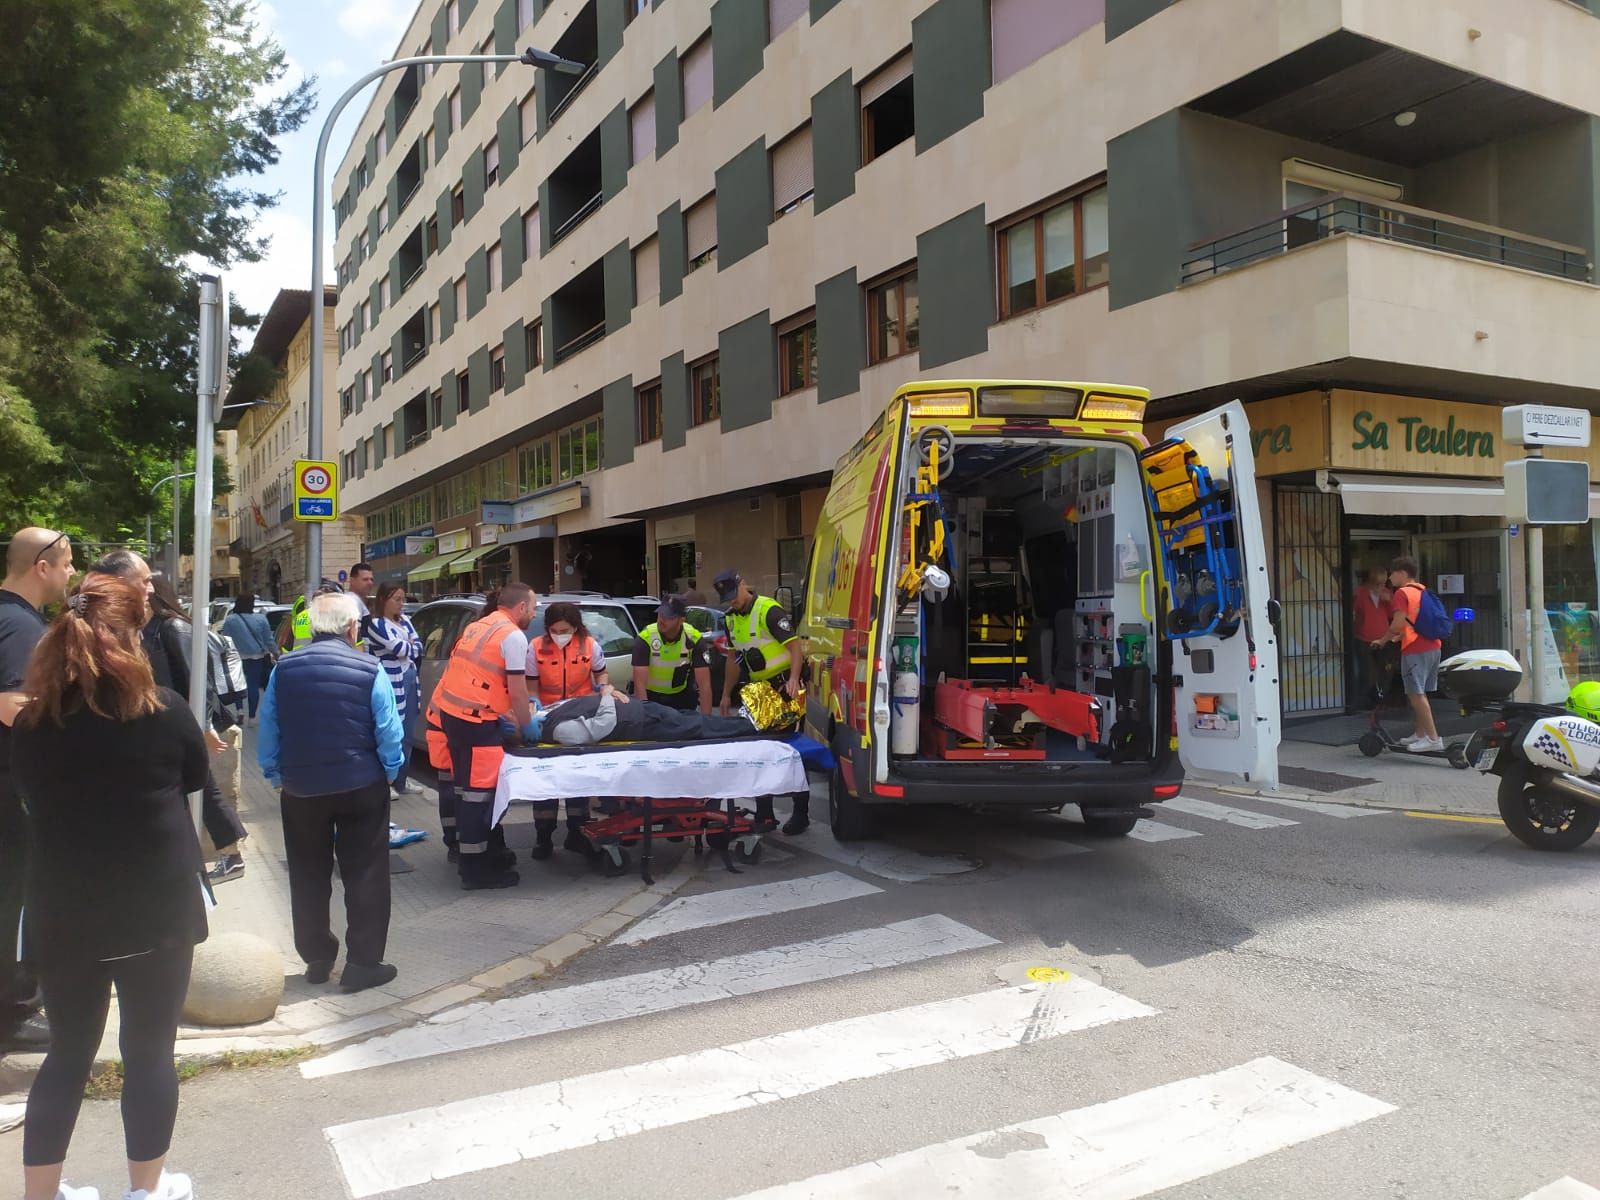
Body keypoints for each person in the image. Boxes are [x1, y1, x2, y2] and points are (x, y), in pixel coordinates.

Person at [12, 574, 209, 1200]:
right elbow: (194, 778)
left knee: (67, 1055)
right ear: (132, 637)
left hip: (64, 910)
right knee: (150, 1052)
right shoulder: (165, 711)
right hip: (156, 908)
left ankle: (40, 1194)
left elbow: (26, 797)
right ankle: (145, 1191)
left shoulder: (31, 726)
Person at [257, 591, 405, 992]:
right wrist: (390, 771)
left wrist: (274, 774)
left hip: (302, 788)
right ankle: (363, 964)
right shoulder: (369, 667)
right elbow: (389, 730)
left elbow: (269, 726)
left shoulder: (283, 669)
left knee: (307, 873)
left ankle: (318, 957)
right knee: (367, 873)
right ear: (352, 627)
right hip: (360, 784)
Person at [0, 527, 76, 1054]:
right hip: (12, 788)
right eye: (67, 564)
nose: (71, 573)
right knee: (15, 901)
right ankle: (16, 1012)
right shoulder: (19, 626)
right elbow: (9, 702)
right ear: (41, 566)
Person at [143, 574, 251, 885]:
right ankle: (229, 855)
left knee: (204, 787)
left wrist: (203, 725)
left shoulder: (173, 628)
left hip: (183, 723)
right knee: (202, 786)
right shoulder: (151, 629)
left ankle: (231, 855)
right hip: (168, 721)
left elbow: (196, 680)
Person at [434, 583, 538, 889]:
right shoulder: (513, 636)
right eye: (533, 608)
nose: (533, 614)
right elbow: (518, 689)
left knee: (466, 793)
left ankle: (482, 856)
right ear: (521, 608)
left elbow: (480, 677)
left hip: (454, 716)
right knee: (479, 799)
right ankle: (475, 871)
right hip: (478, 723)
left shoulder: (480, 626)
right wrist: (526, 723)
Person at [713, 569, 808, 834]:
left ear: (743, 585)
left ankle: (801, 812)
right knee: (758, 752)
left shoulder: (769, 611)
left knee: (789, 752)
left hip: (785, 688)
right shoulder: (730, 620)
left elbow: (795, 648)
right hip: (759, 692)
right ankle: (765, 815)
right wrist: (725, 695)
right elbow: (732, 659)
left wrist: (793, 679)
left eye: (734, 595)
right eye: (727, 599)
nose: (732, 602)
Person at [527, 601, 610, 859]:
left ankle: (577, 833)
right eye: (555, 630)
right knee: (546, 782)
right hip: (548, 719)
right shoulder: (535, 647)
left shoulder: (589, 645)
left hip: (579, 718)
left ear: (575, 627)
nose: (560, 635)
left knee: (578, 779)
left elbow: (601, 674)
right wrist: (533, 706)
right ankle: (544, 836)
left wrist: (602, 688)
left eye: (565, 630)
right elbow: (530, 685)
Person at [530, 684, 763, 745]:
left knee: (692, 720)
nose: (514, 709)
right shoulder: (558, 730)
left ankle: (743, 722)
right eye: (512, 714)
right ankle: (750, 726)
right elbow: (603, 725)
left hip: (639, 710)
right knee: (698, 727)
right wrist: (606, 694)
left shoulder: (547, 713)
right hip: (641, 722)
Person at [1373, 556, 1443, 752]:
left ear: (1402, 573)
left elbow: (1397, 624)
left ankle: (1433, 738)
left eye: (1391, 574)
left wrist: (1383, 640)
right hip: (1433, 646)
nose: (1389, 579)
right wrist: (1399, 637)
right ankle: (1420, 734)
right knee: (1421, 693)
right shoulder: (1422, 590)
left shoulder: (1402, 594)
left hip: (1415, 650)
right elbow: (1414, 622)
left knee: (1415, 694)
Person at [367, 582, 424, 796]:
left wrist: (408, 646)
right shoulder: (376, 624)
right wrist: (408, 646)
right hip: (391, 680)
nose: (402, 604)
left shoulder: (406, 621)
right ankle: (386, 782)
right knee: (390, 731)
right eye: (397, 599)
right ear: (384, 600)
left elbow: (418, 648)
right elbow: (399, 648)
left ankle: (401, 780)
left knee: (407, 733)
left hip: (409, 678)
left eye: (403, 599)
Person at [631, 596, 712, 713]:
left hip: (681, 699)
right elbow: (639, 686)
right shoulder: (645, 639)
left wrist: (707, 723)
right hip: (652, 700)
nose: (661, 619)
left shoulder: (694, 639)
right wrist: (646, 718)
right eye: (660, 614)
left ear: (681, 619)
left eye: (668, 616)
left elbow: (704, 685)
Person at [222, 594, 277, 721]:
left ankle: (240, 710)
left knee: (238, 684)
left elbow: (225, 639)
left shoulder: (230, 620)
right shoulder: (261, 619)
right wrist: (276, 653)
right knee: (253, 686)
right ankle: (252, 716)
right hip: (257, 657)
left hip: (237, 657)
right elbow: (268, 639)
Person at [1351, 567, 1395, 707]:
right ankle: (1365, 700)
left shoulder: (1387, 594)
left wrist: (1388, 601)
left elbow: (1394, 615)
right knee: (1369, 673)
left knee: (1386, 671)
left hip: (1384, 638)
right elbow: (1353, 610)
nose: (1381, 586)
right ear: (1370, 581)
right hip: (1363, 638)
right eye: (1378, 583)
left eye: (1383, 583)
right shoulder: (1359, 593)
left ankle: (1380, 698)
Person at [348, 562, 376, 646]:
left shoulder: (356, 600)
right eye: (365, 579)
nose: (370, 583)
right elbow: (354, 634)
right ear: (352, 580)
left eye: (371, 579)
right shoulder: (353, 600)